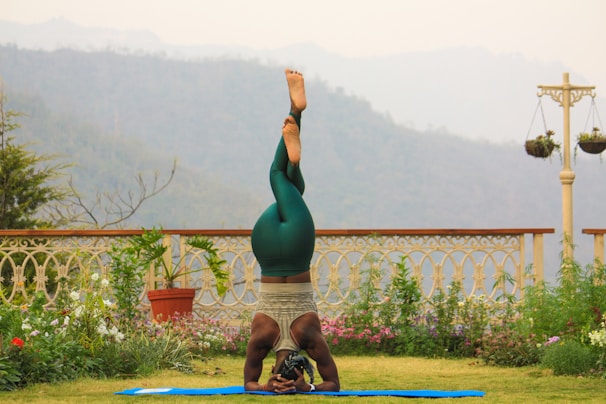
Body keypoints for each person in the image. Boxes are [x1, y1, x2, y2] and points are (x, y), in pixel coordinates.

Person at [243, 69, 340, 393]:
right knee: (282, 181)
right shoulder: (262, 336)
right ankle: (293, 161)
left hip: (297, 247)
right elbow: (248, 383)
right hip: (267, 246)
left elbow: (333, 384)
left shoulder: (310, 337)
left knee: (282, 180)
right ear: (276, 367)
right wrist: (266, 386)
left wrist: (307, 388)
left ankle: (296, 113)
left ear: (303, 362)